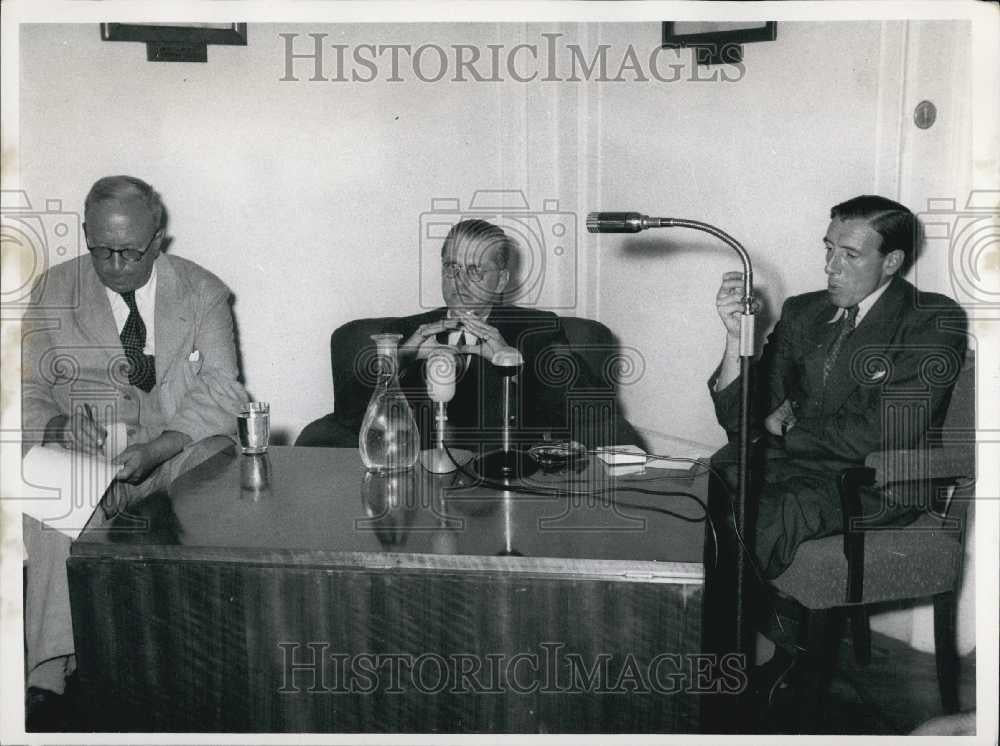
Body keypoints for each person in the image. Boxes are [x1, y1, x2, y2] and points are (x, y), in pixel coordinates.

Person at [20, 175, 248, 723]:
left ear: (159, 238)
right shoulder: (51, 291)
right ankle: (47, 676)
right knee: (50, 485)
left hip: (170, 458)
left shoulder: (203, 292)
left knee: (219, 454)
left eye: (131, 251)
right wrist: (54, 427)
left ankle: (196, 656)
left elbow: (224, 388)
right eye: (102, 250)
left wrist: (164, 447)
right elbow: (22, 388)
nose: (117, 264)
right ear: (85, 235)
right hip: (86, 457)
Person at [709, 195, 967, 671]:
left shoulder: (931, 319)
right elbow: (742, 417)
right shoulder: (803, 312)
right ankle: (739, 631)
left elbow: (886, 432)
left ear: (891, 261)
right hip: (798, 465)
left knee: (762, 514)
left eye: (849, 256)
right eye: (828, 249)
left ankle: (726, 653)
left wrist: (785, 428)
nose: (831, 267)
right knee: (703, 493)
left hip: (875, 483)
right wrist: (734, 339)